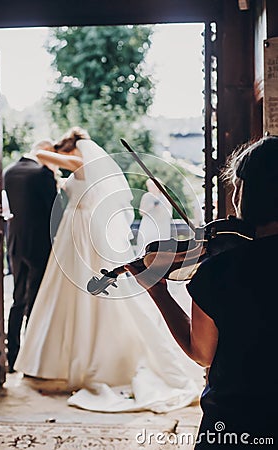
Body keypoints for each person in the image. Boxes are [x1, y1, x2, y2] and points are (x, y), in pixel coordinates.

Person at [14, 126, 202, 413]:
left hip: (82, 231)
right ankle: (66, 360)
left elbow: (41, 154)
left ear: (70, 148)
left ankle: (86, 360)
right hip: (76, 230)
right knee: (66, 296)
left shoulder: (82, 162)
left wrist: (47, 153)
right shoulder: (84, 169)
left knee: (83, 296)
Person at [126, 135, 278, 447]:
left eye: (237, 185)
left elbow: (202, 353)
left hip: (238, 420)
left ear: (250, 192)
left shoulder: (221, 269)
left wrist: (158, 291)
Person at [4, 140, 63, 373]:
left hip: (16, 245)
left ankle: (12, 358)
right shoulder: (43, 174)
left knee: (18, 300)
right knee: (36, 300)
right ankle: (32, 359)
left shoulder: (9, 171)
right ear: (46, 153)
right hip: (40, 246)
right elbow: (55, 214)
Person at [136, 178, 173, 256]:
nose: (151, 188)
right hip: (149, 225)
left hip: (161, 225)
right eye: (149, 186)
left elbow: (170, 212)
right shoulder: (146, 196)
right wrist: (152, 206)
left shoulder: (164, 197)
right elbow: (141, 212)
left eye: (152, 186)